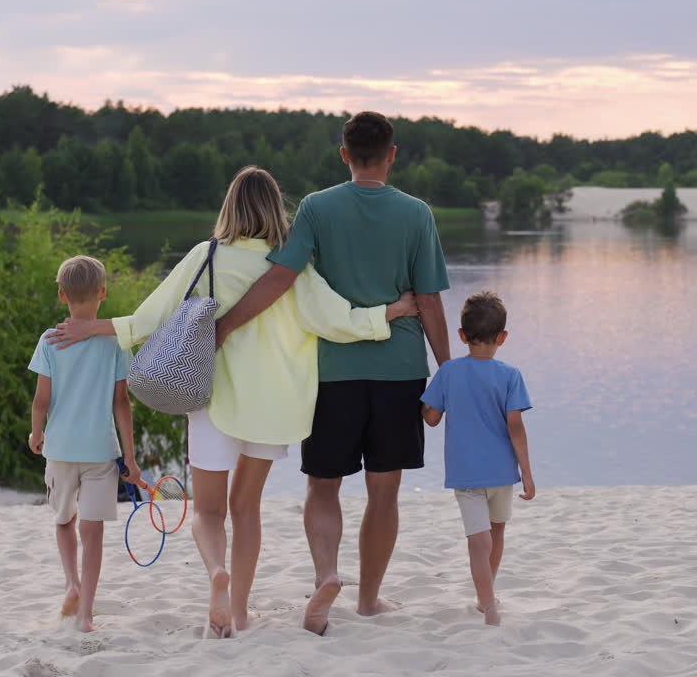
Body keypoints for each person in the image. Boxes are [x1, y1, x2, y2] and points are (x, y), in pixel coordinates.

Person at [46, 166, 417, 637]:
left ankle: (216, 575)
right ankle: (240, 612)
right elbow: (335, 319)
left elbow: (147, 319)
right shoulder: (292, 262)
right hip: (273, 406)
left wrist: (91, 327)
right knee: (247, 509)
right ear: (274, 210)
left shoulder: (207, 256)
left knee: (207, 511)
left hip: (212, 398)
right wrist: (391, 312)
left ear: (229, 207)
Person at [215, 111, 451, 635]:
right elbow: (429, 299)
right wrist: (448, 369)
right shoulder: (418, 214)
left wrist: (225, 325)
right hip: (399, 370)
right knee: (383, 491)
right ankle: (368, 600)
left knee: (323, 485)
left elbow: (279, 277)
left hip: (331, 373)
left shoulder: (317, 209)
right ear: (393, 153)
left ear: (343, 154)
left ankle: (327, 573)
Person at [27, 255, 140, 633]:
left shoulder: (49, 340)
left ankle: (70, 584)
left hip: (60, 449)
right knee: (93, 534)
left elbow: (41, 399)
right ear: (103, 293)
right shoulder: (114, 342)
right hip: (100, 452)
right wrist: (132, 457)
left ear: (62, 295)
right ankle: (87, 613)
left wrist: (36, 432)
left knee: (64, 521)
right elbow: (121, 403)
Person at [420, 291, 534, 626]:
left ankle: (487, 600)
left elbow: (431, 418)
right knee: (495, 533)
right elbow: (517, 428)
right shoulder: (510, 375)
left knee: (478, 539)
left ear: (461, 336)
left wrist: (422, 399)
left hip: (467, 474)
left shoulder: (449, 372)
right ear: (502, 337)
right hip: (502, 473)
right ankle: (488, 597)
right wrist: (527, 473)